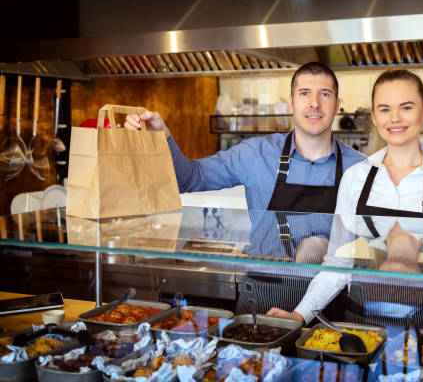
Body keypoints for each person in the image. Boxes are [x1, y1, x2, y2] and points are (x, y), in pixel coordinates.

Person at [125, 62, 365, 315]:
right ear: (291, 104)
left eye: (324, 94)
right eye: (305, 93)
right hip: (263, 294)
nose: (314, 103)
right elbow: (189, 179)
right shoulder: (255, 154)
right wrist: (162, 138)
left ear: (337, 105)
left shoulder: (359, 168)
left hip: (329, 300)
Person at [267, 69, 423, 336]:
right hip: (360, 320)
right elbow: (338, 264)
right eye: (384, 109)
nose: (395, 119)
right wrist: (299, 314)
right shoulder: (356, 177)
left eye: (406, 107)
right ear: (373, 117)